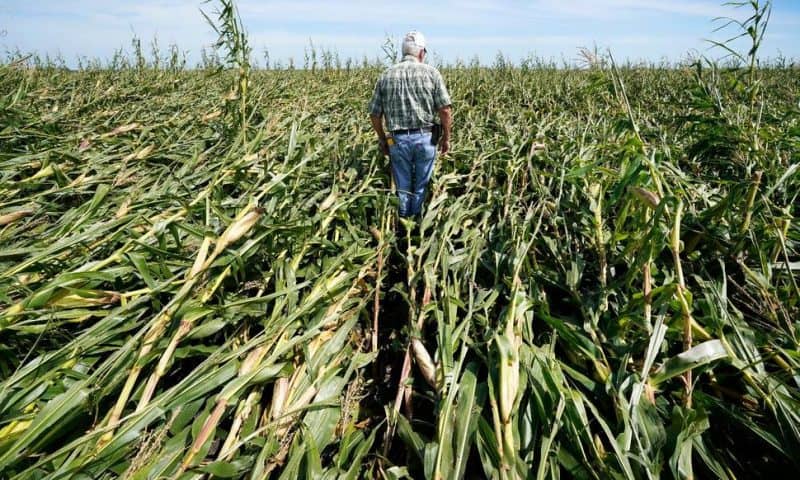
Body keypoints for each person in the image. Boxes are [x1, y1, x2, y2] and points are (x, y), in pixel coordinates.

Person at [368, 30, 452, 219]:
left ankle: (403, 226)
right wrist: (446, 138)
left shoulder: (386, 75)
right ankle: (418, 228)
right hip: (426, 138)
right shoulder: (432, 73)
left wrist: (383, 139)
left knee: (403, 186)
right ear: (421, 52)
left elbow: (374, 114)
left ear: (403, 52)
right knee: (422, 184)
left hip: (397, 140)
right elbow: (445, 110)